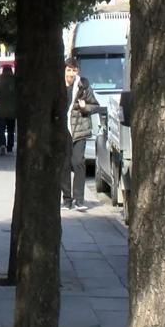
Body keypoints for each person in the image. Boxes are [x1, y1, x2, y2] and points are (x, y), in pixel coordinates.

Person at [61, 57, 99, 212]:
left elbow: (95, 105)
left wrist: (85, 107)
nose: (71, 73)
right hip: (63, 131)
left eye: (74, 70)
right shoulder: (57, 85)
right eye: (68, 70)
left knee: (78, 162)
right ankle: (67, 199)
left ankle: (79, 199)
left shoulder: (83, 85)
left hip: (79, 130)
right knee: (63, 165)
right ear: (64, 70)